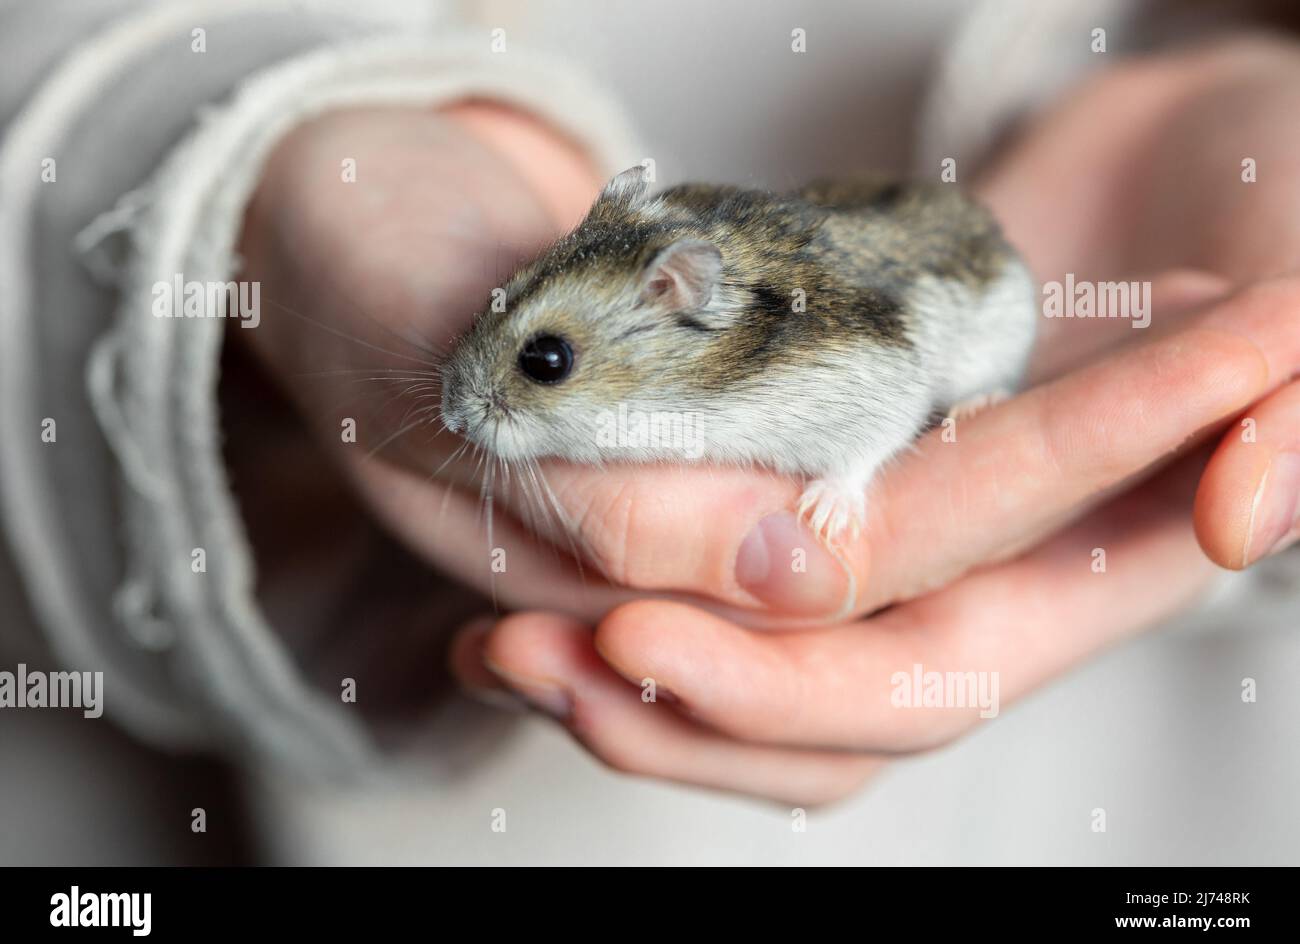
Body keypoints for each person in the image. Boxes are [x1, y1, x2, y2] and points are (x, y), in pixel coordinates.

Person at [2, 0, 1297, 864]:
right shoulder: (660, 294)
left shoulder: (800, 359)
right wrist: (249, 173)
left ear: (682, 303)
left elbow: (885, 374)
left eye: (542, 361)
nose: (471, 397)